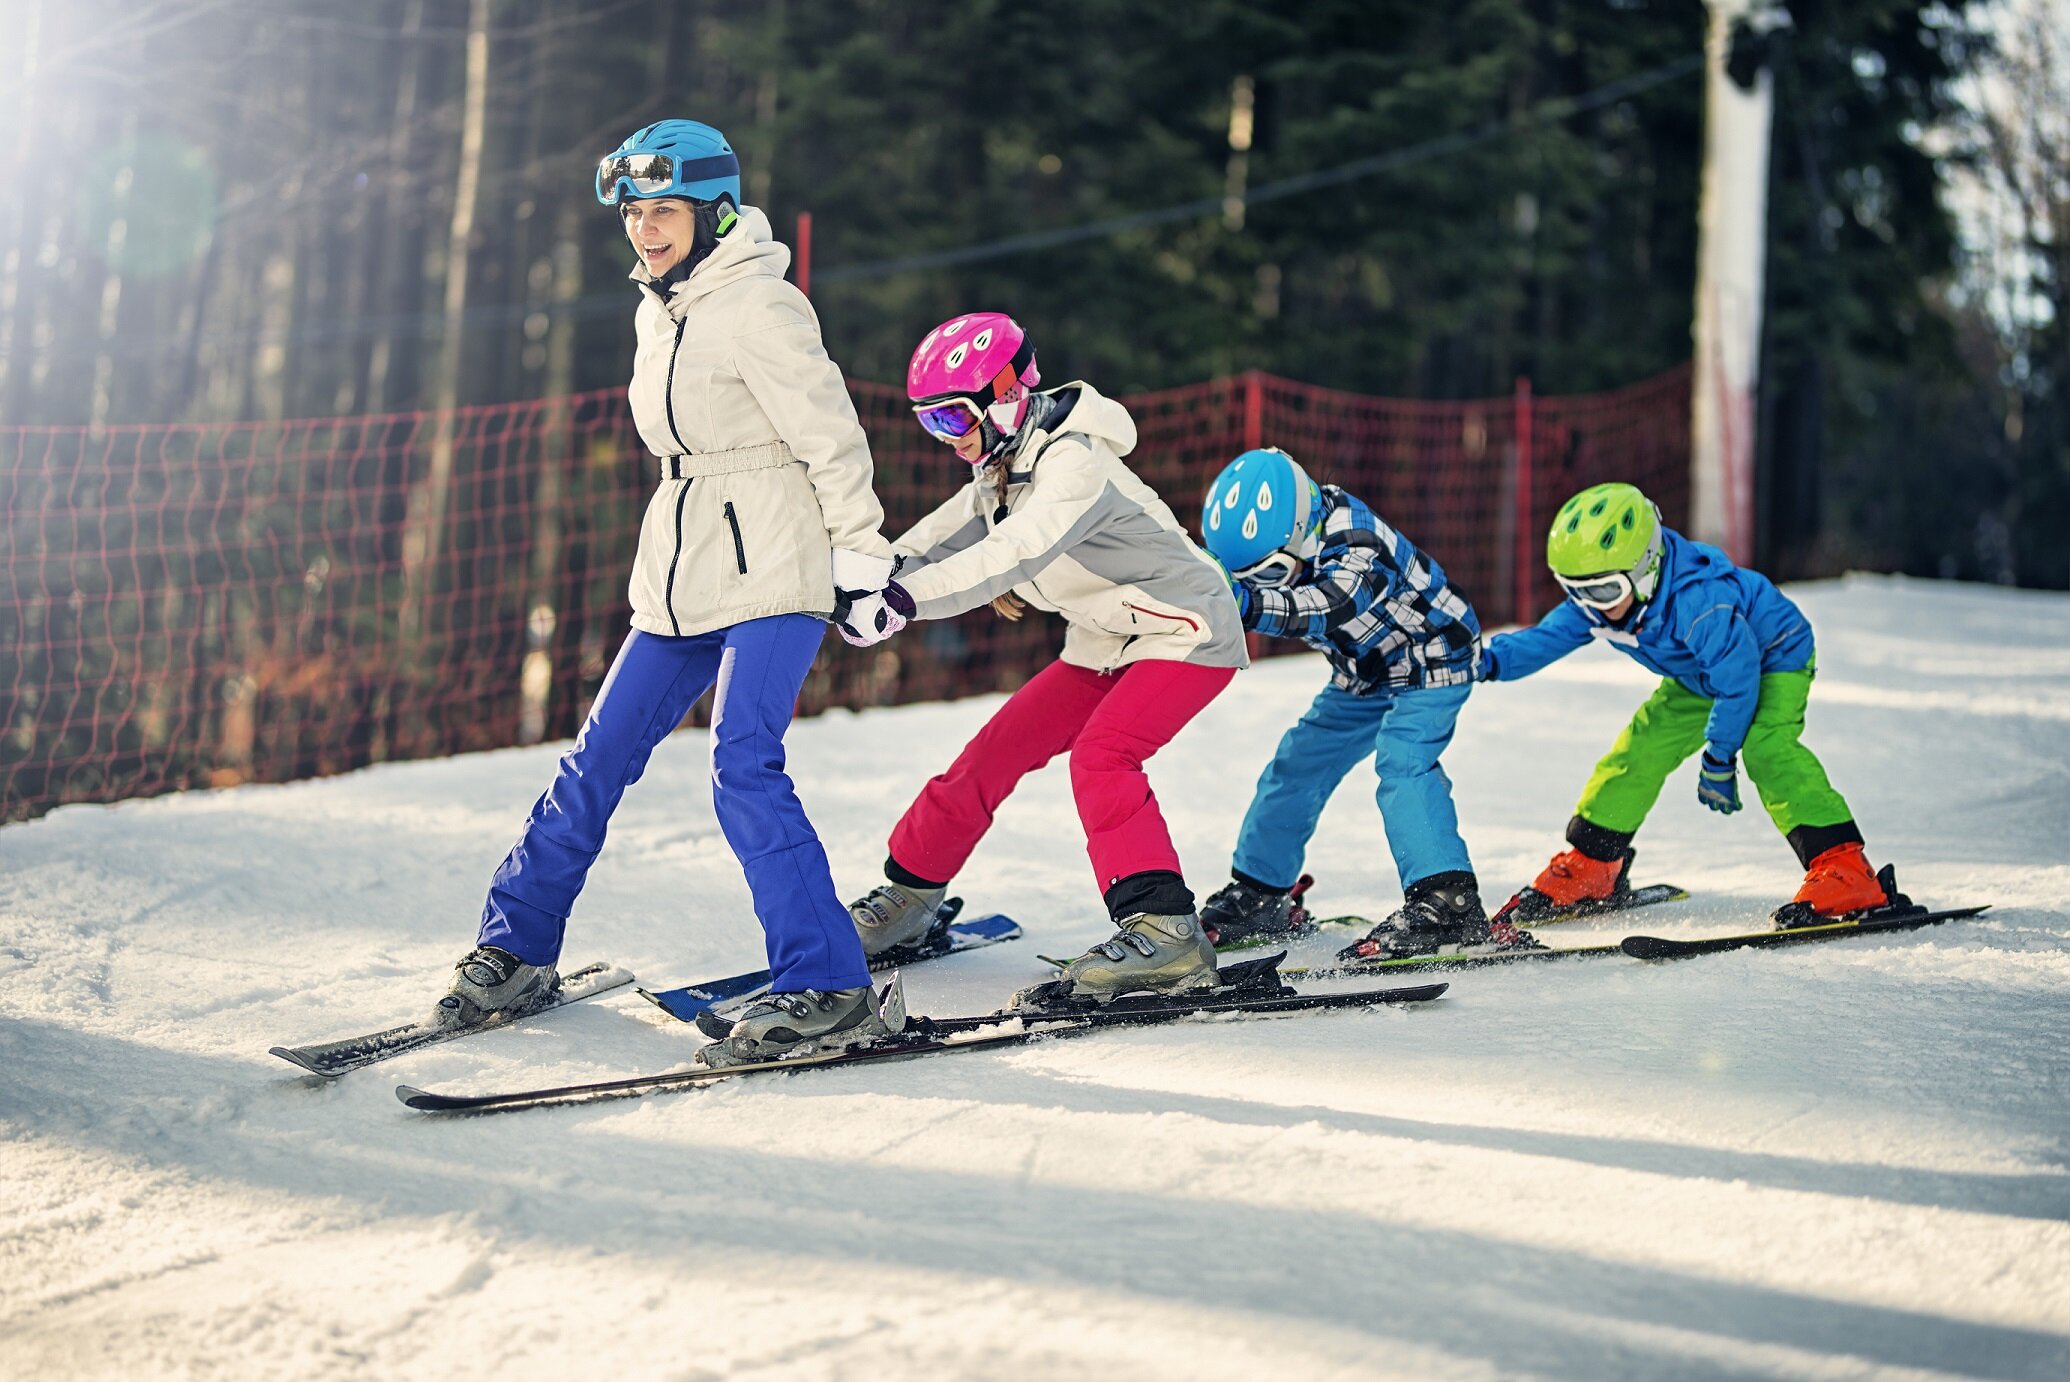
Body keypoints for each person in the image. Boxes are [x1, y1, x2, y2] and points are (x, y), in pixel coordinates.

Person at [434, 119, 908, 1067]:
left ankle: (829, 984)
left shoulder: (762, 307)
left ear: (714, 210)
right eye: (634, 213)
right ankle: (515, 947)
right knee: (595, 758)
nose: (645, 231)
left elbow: (831, 433)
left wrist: (861, 552)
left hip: (774, 558)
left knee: (743, 762)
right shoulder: (664, 308)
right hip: (681, 571)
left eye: (663, 211)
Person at [837, 312, 1249, 1002]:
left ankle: (1166, 932)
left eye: (954, 419)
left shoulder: (1073, 464)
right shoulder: (1001, 467)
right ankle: (909, 898)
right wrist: (864, 575)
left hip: (1186, 631)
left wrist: (903, 603)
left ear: (1004, 397)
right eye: (934, 425)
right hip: (1103, 645)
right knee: (993, 751)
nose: (952, 440)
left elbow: (1010, 554)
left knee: (1103, 755)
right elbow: (934, 538)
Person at [1479, 481, 1892, 927]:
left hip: (1772, 659)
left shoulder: (1699, 602)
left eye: (1599, 591)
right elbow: (1544, 639)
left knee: (1767, 749)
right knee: (1640, 749)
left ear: (1644, 572)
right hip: (1698, 672)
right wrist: (1483, 661)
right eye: (1572, 589)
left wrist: (1718, 755)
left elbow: (1738, 681)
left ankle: (1846, 870)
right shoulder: (1602, 604)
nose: (1585, 606)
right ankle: (1594, 864)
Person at [1195, 447, 1528, 961]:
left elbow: (1332, 604)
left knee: (1404, 760)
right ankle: (1260, 892)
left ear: (1301, 528)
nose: (1266, 586)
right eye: (1251, 579)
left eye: (1270, 573)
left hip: (1432, 657)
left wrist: (1247, 603)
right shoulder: (1287, 542)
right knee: (1298, 763)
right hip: (1364, 672)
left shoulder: (1357, 538)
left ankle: (1447, 901)